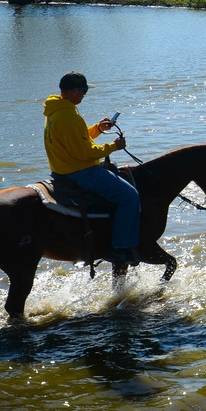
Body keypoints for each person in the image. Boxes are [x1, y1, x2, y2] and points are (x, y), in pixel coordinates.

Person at [43, 71, 140, 265]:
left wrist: (98, 129)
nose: (85, 94)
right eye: (84, 90)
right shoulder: (68, 116)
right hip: (81, 172)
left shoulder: (56, 110)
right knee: (130, 197)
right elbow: (84, 153)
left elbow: (76, 139)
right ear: (74, 90)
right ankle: (119, 249)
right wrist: (114, 146)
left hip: (61, 169)